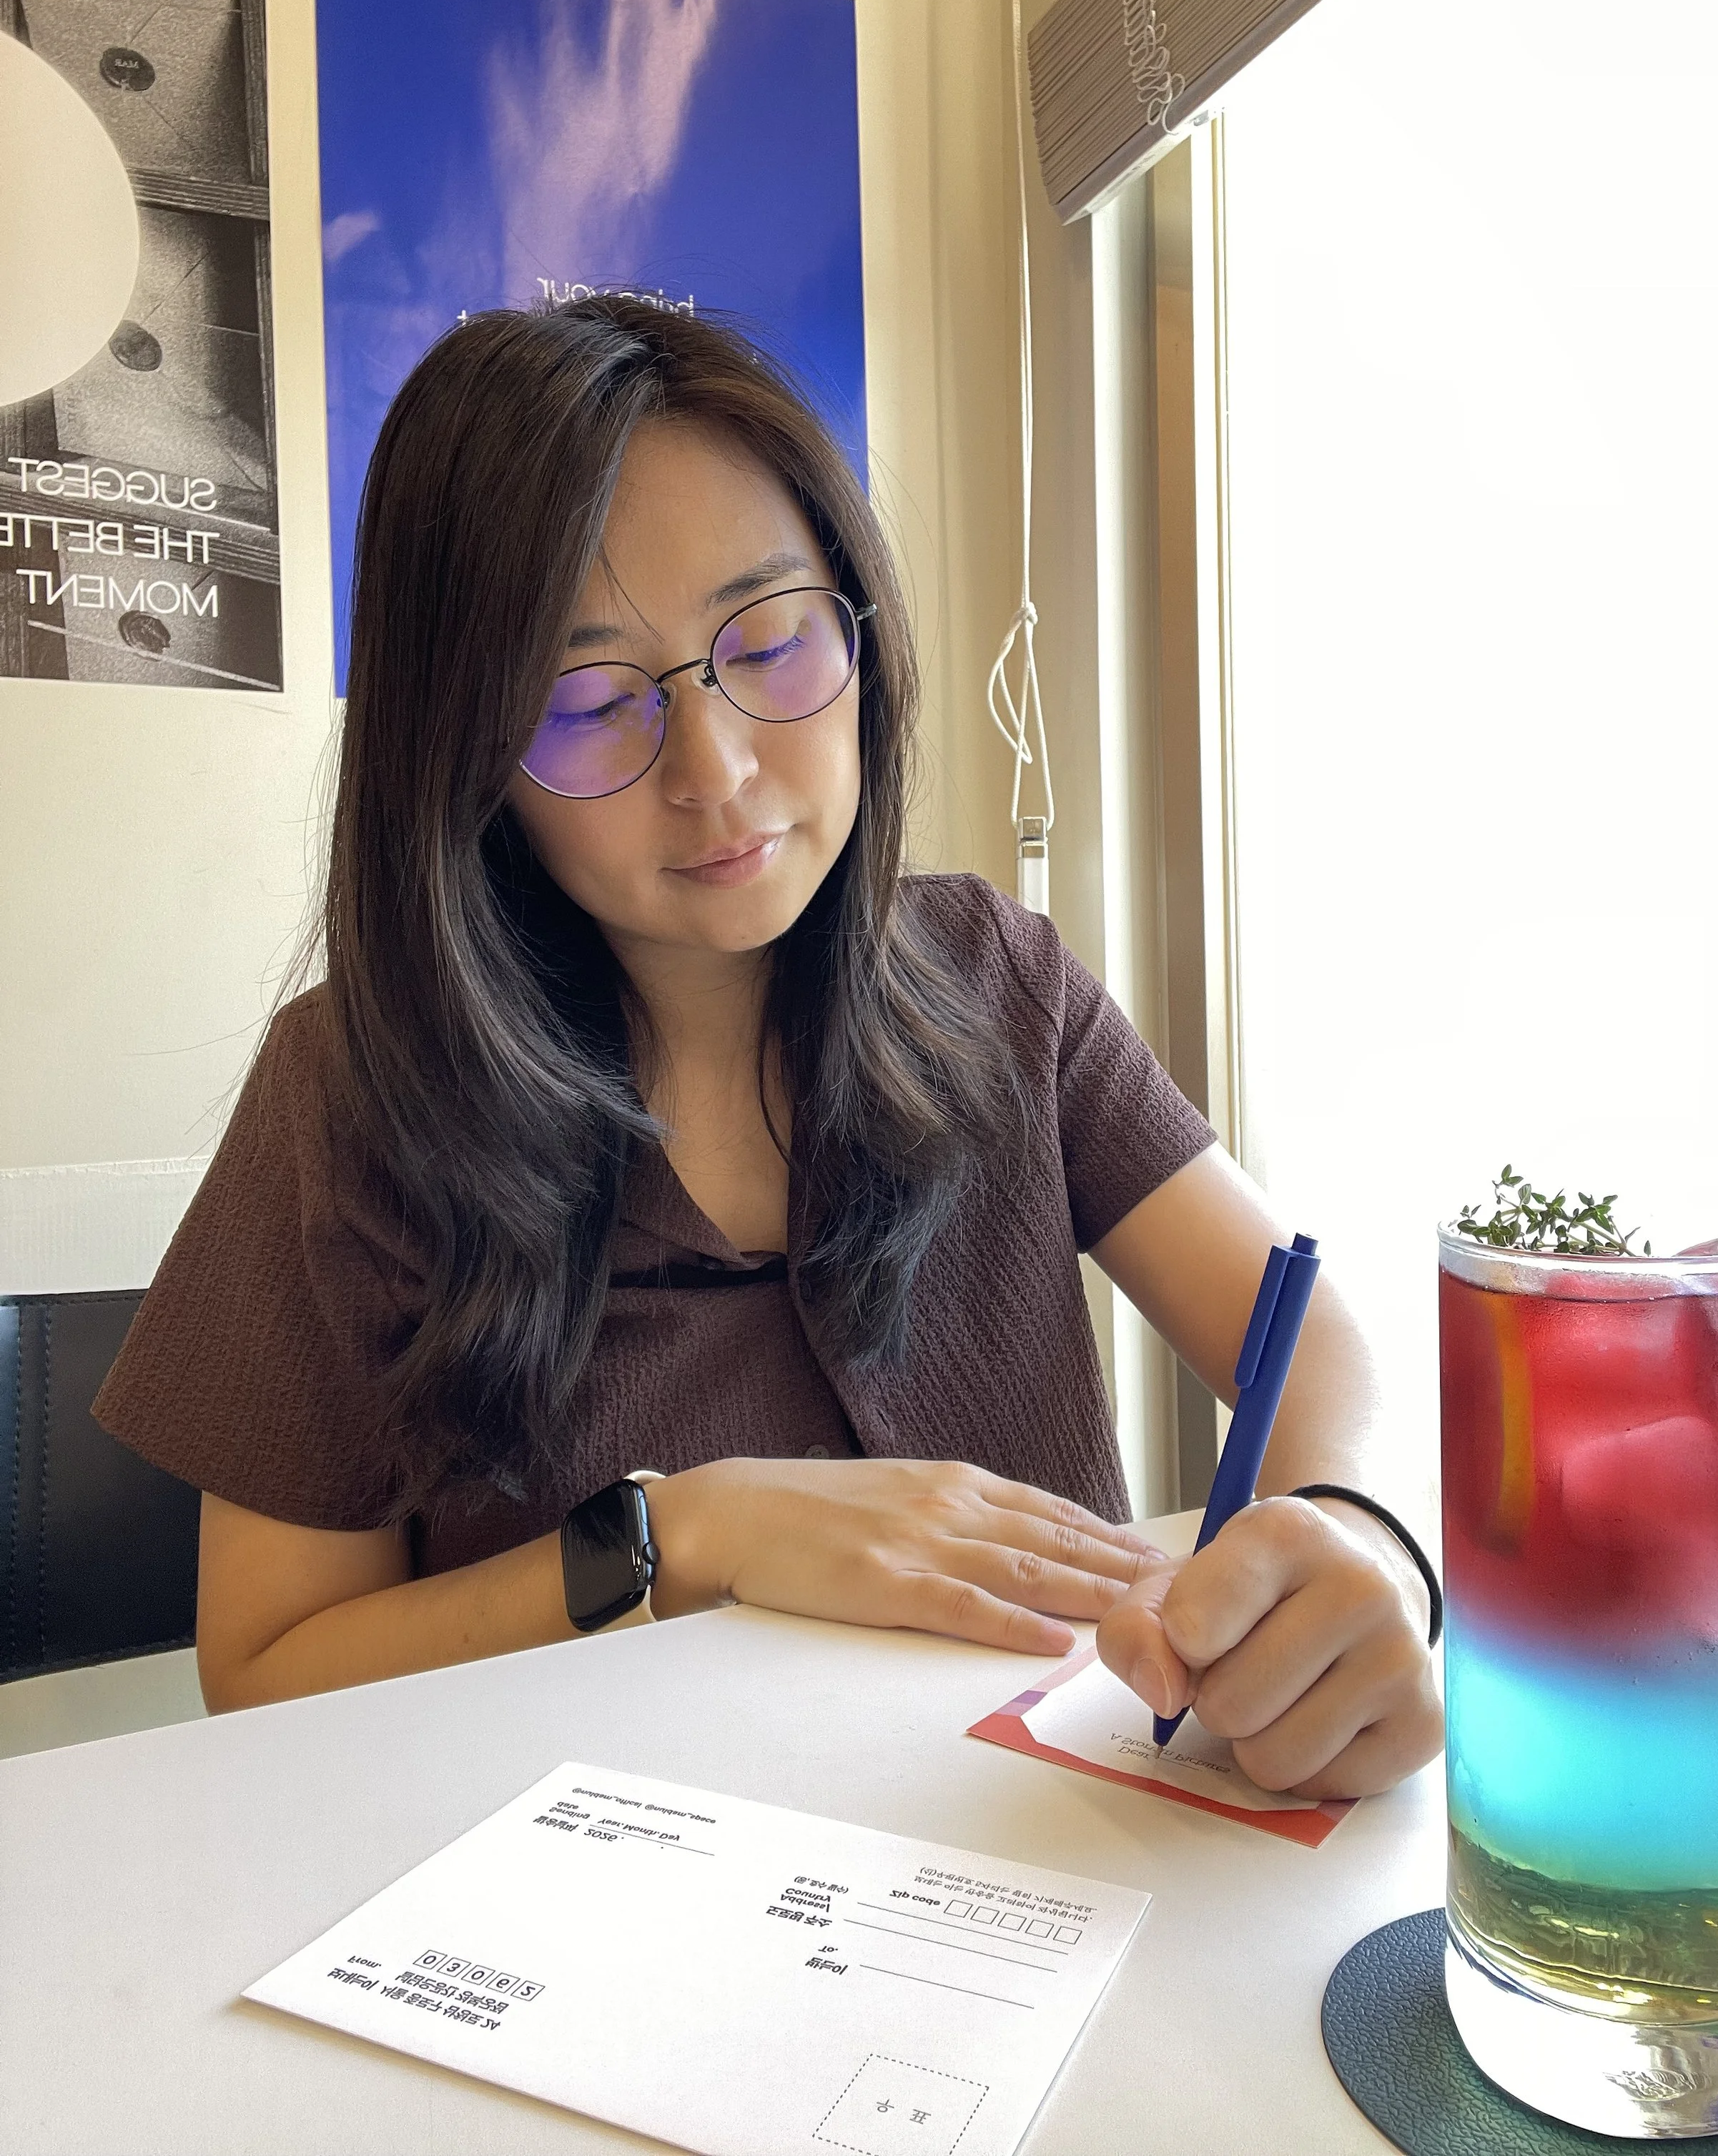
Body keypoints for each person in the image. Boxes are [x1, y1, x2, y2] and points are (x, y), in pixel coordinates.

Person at [95, 298, 1441, 1800]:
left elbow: (1312, 1344)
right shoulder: (355, 1095)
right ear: (467, 757)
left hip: (1050, 1868)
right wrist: (683, 1536)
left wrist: (1358, 1541)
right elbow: (266, 1673)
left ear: (854, 620)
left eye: (772, 640)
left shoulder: (995, 979)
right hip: (588, 1929)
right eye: (589, 702)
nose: (718, 772)